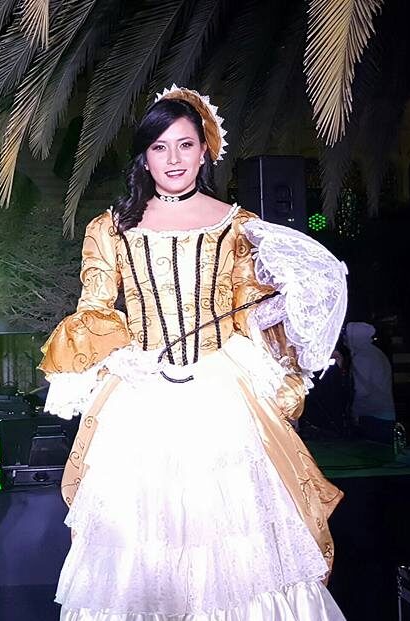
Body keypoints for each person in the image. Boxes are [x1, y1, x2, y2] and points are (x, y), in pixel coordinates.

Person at [41, 86, 347, 620]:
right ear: (145, 156)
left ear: (205, 148)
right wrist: (119, 354)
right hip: (140, 398)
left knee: (235, 540)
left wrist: (284, 307)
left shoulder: (240, 226)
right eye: (159, 147)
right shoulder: (110, 228)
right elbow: (94, 307)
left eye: (184, 145)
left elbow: (252, 308)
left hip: (221, 394)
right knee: (139, 546)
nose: (173, 159)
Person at [344, 321, 396, 444]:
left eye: (347, 334)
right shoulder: (374, 352)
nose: (344, 338)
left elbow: (361, 390)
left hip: (372, 416)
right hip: (384, 414)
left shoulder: (362, 357)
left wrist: (354, 412)